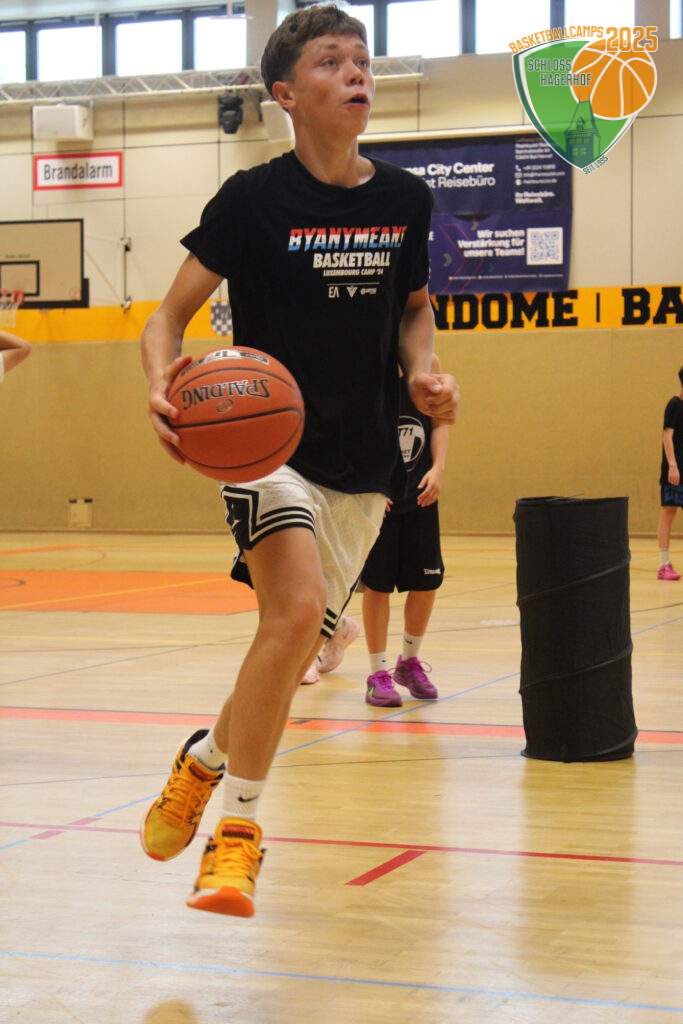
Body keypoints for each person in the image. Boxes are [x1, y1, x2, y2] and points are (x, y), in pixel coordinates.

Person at [139, 3, 459, 919]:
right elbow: (166, 318)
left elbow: (413, 308)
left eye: (362, 59)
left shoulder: (404, 199)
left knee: (291, 645)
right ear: (284, 93)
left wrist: (423, 372)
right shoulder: (252, 200)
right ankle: (236, 838)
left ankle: (205, 758)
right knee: (287, 618)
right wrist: (161, 383)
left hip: (364, 461)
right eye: (330, 61)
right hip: (265, 448)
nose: (356, 72)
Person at [360, 354, 449, 707]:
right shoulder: (367, 362)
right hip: (381, 497)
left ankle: (408, 663)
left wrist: (439, 468)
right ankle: (377, 673)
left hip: (420, 493)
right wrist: (370, 484)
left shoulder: (428, 363)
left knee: (426, 582)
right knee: (378, 586)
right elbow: (354, 432)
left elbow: (439, 421)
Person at [657, 366, 683, 580]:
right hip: (674, 471)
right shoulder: (674, 405)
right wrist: (672, 464)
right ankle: (664, 564)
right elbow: (667, 436)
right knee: (669, 511)